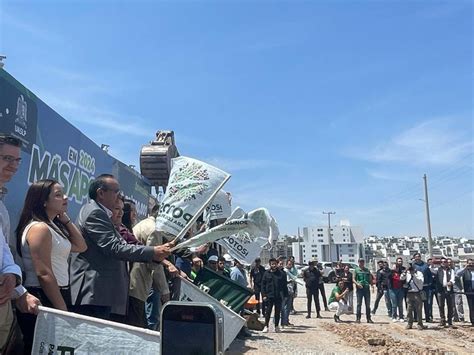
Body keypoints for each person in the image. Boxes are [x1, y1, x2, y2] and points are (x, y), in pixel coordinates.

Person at [69, 174, 171, 320]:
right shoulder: (95, 213)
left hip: (101, 293)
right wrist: (153, 252)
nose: (120, 195)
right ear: (101, 193)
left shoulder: (102, 214)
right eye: (116, 191)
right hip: (94, 292)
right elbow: (114, 248)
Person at [15, 179, 87, 353]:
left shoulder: (53, 226)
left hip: (57, 293)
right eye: (58, 195)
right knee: (37, 347)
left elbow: (81, 246)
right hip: (42, 294)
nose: (65, 197)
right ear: (43, 201)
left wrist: (66, 220)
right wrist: (62, 310)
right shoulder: (39, 228)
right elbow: (44, 273)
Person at [0, 134, 40, 353]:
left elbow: (3, 249)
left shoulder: (2, 210)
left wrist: (14, 282)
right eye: (7, 158)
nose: (13, 166)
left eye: (17, 160)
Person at [127, 204, 177, 329]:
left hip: (130, 279)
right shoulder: (155, 230)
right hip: (138, 281)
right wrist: (165, 290)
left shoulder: (141, 224)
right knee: (137, 325)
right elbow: (154, 261)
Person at [261, 258, 288, 333]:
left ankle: (276, 326)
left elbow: (284, 285)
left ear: (277, 264)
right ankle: (266, 326)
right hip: (269, 296)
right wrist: (264, 295)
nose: (274, 265)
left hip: (278, 296)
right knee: (268, 311)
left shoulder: (281, 274)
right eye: (272, 264)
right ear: (270, 265)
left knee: (277, 312)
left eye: (275, 264)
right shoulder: (266, 273)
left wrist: (286, 295)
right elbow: (263, 285)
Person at [401, 263, 426, 330]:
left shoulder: (419, 273)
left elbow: (420, 281)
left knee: (419, 309)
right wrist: (405, 271)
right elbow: (401, 278)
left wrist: (413, 275)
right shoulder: (407, 273)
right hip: (409, 293)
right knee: (409, 309)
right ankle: (409, 323)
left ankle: (420, 323)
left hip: (417, 293)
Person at [413, 252, 434, 322]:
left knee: (426, 303)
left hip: (425, 287)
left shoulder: (425, 265)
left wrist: (429, 283)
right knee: (416, 303)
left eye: (418, 256)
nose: (417, 258)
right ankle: (416, 318)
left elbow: (430, 275)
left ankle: (427, 317)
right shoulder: (412, 265)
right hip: (416, 287)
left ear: (420, 257)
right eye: (416, 257)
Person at [435, 257, 455, 327]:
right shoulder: (438, 270)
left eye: (445, 262)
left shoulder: (451, 270)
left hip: (449, 290)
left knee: (450, 305)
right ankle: (442, 320)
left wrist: (451, 282)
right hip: (441, 290)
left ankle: (449, 321)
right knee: (441, 305)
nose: (443, 263)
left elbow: (453, 278)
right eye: (442, 262)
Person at [353, 258, 374, 323]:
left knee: (367, 304)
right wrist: (357, 284)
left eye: (362, 261)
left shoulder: (367, 270)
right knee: (359, 304)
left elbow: (370, 278)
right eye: (360, 261)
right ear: (358, 262)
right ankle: (358, 318)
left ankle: (368, 318)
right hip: (360, 289)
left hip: (366, 288)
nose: (361, 263)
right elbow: (353, 279)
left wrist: (372, 285)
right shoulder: (356, 270)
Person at [456, 259, 473, 326]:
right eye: (470, 263)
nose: (471, 265)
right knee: (471, 307)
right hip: (469, 290)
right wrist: (465, 267)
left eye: (472, 263)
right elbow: (458, 274)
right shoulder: (465, 271)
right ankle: (473, 321)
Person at [389, 258, 405, 322]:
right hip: (393, 290)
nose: (396, 268)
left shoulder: (401, 273)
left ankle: (401, 317)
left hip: (400, 289)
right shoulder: (391, 273)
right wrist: (392, 270)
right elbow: (388, 278)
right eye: (395, 267)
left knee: (400, 304)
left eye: (397, 267)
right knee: (394, 304)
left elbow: (403, 279)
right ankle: (394, 316)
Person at [281, 259, 296, 327]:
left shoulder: (291, 271)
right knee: (283, 307)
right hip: (285, 291)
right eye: (289, 264)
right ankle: (282, 321)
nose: (290, 265)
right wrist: (291, 280)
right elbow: (285, 281)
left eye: (291, 264)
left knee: (288, 307)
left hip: (290, 291)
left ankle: (286, 321)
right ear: (286, 264)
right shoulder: (285, 271)